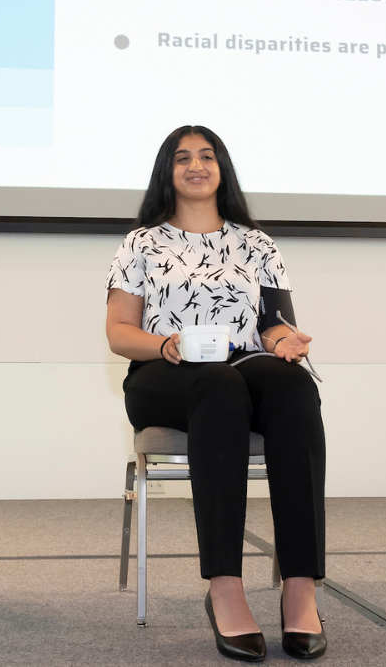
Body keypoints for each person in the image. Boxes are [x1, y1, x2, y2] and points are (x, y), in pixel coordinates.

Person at [106, 125, 326, 662]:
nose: (196, 165)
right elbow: (119, 334)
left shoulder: (257, 243)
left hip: (240, 367)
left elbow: (273, 325)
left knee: (294, 385)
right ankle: (224, 587)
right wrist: (165, 345)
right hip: (164, 372)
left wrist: (284, 339)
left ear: (222, 168)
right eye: (183, 158)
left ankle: (301, 585)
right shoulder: (142, 242)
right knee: (219, 384)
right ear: (168, 172)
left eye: (207, 156)